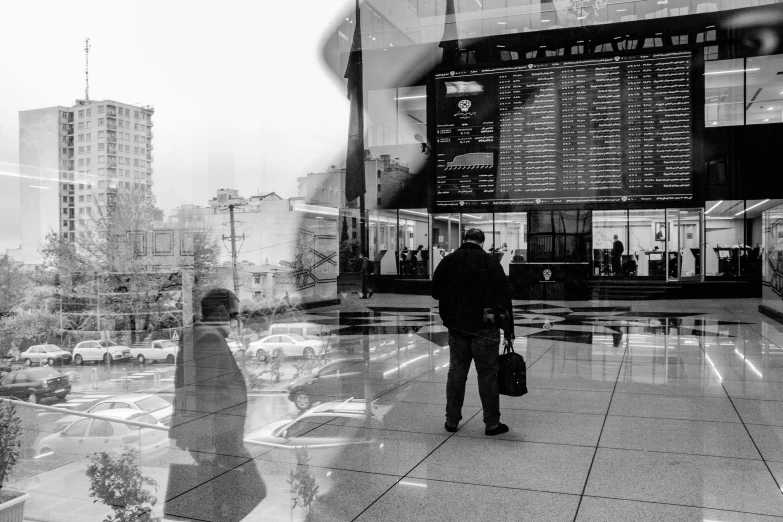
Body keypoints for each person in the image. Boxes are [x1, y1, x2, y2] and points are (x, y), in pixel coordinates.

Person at [165, 288, 265, 521]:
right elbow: (203, 393)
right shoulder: (208, 338)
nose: (236, 320)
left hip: (215, 437)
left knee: (223, 502)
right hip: (217, 439)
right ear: (220, 311)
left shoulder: (197, 334)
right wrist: (207, 446)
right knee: (243, 494)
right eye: (234, 314)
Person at [431, 228, 514, 436]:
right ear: (482, 242)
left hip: (457, 328)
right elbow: (503, 298)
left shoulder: (448, 261)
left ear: (464, 239)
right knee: (488, 375)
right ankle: (492, 423)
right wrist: (508, 330)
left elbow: (435, 293)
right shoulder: (490, 263)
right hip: (485, 328)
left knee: (456, 372)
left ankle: (451, 420)